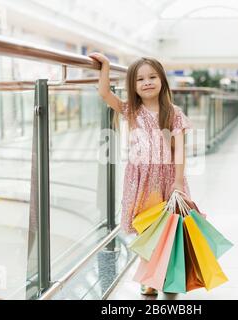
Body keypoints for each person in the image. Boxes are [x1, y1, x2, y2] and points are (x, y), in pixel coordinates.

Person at [89, 52, 192, 296]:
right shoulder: (131, 110)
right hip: (141, 179)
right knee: (148, 229)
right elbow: (104, 94)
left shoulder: (174, 112)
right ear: (133, 86)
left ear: (162, 80)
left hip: (168, 178)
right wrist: (104, 65)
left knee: (168, 227)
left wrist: (178, 181)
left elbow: (179, 150)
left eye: (152, 77)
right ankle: (150, 277)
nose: (147, 82)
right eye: (140, 79)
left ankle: (166, 274)